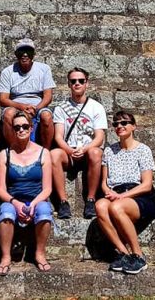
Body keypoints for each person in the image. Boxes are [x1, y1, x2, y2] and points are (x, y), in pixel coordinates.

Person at [94, 111, 155, 275]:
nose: (119, 126)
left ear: (133, 126)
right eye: (116, 124)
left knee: (116, 207)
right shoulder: (109, 151)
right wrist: (108, 192)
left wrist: (122, 196)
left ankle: (138, 255)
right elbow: (104, 181)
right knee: (100, 206)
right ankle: (123, 253)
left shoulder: (143, 150)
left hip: (139, 195)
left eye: (124, 123)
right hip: (115, 192)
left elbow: (146, 185)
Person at [0, 112, 54, 275]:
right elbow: (0, 189)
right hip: (12, 200)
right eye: (17, 127)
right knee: (5, 212)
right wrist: (16, 203)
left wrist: (33, 204)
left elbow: (47, 188)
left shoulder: (43, 153)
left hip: (37, 198)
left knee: (44, 211)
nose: (21, 130)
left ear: (31, 128)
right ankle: (6, 257)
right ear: (12, 130)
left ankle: (40, 253)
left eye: (25, 126)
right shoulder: (4, 154)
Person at [50, 67, 107, 219]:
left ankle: (91, 199)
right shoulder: (61, 108)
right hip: (69, 150)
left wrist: (85, 149)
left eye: (81, 81)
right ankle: (63, 202)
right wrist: (70, 150)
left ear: (86, 83)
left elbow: (99, 137)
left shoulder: (96, 107)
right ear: (68, 84)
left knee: (96, 152)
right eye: (73, 81)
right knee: (54, 154)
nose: (77, 83)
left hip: (88, 150)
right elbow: (58, 136)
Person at [0, 38, 56, 148]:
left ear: (33, 54)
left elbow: (48, 96)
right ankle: (13, 150)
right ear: (16, 54)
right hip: (16, 105)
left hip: (38, 105)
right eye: (21, 52)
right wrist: (22, 107)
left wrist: (36, 108)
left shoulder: (44, 69)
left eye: (28, 51)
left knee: (47, 116)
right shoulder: (8, 72)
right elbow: (3, 99)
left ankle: (45, 152)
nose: (25, 55)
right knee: (8, 114)